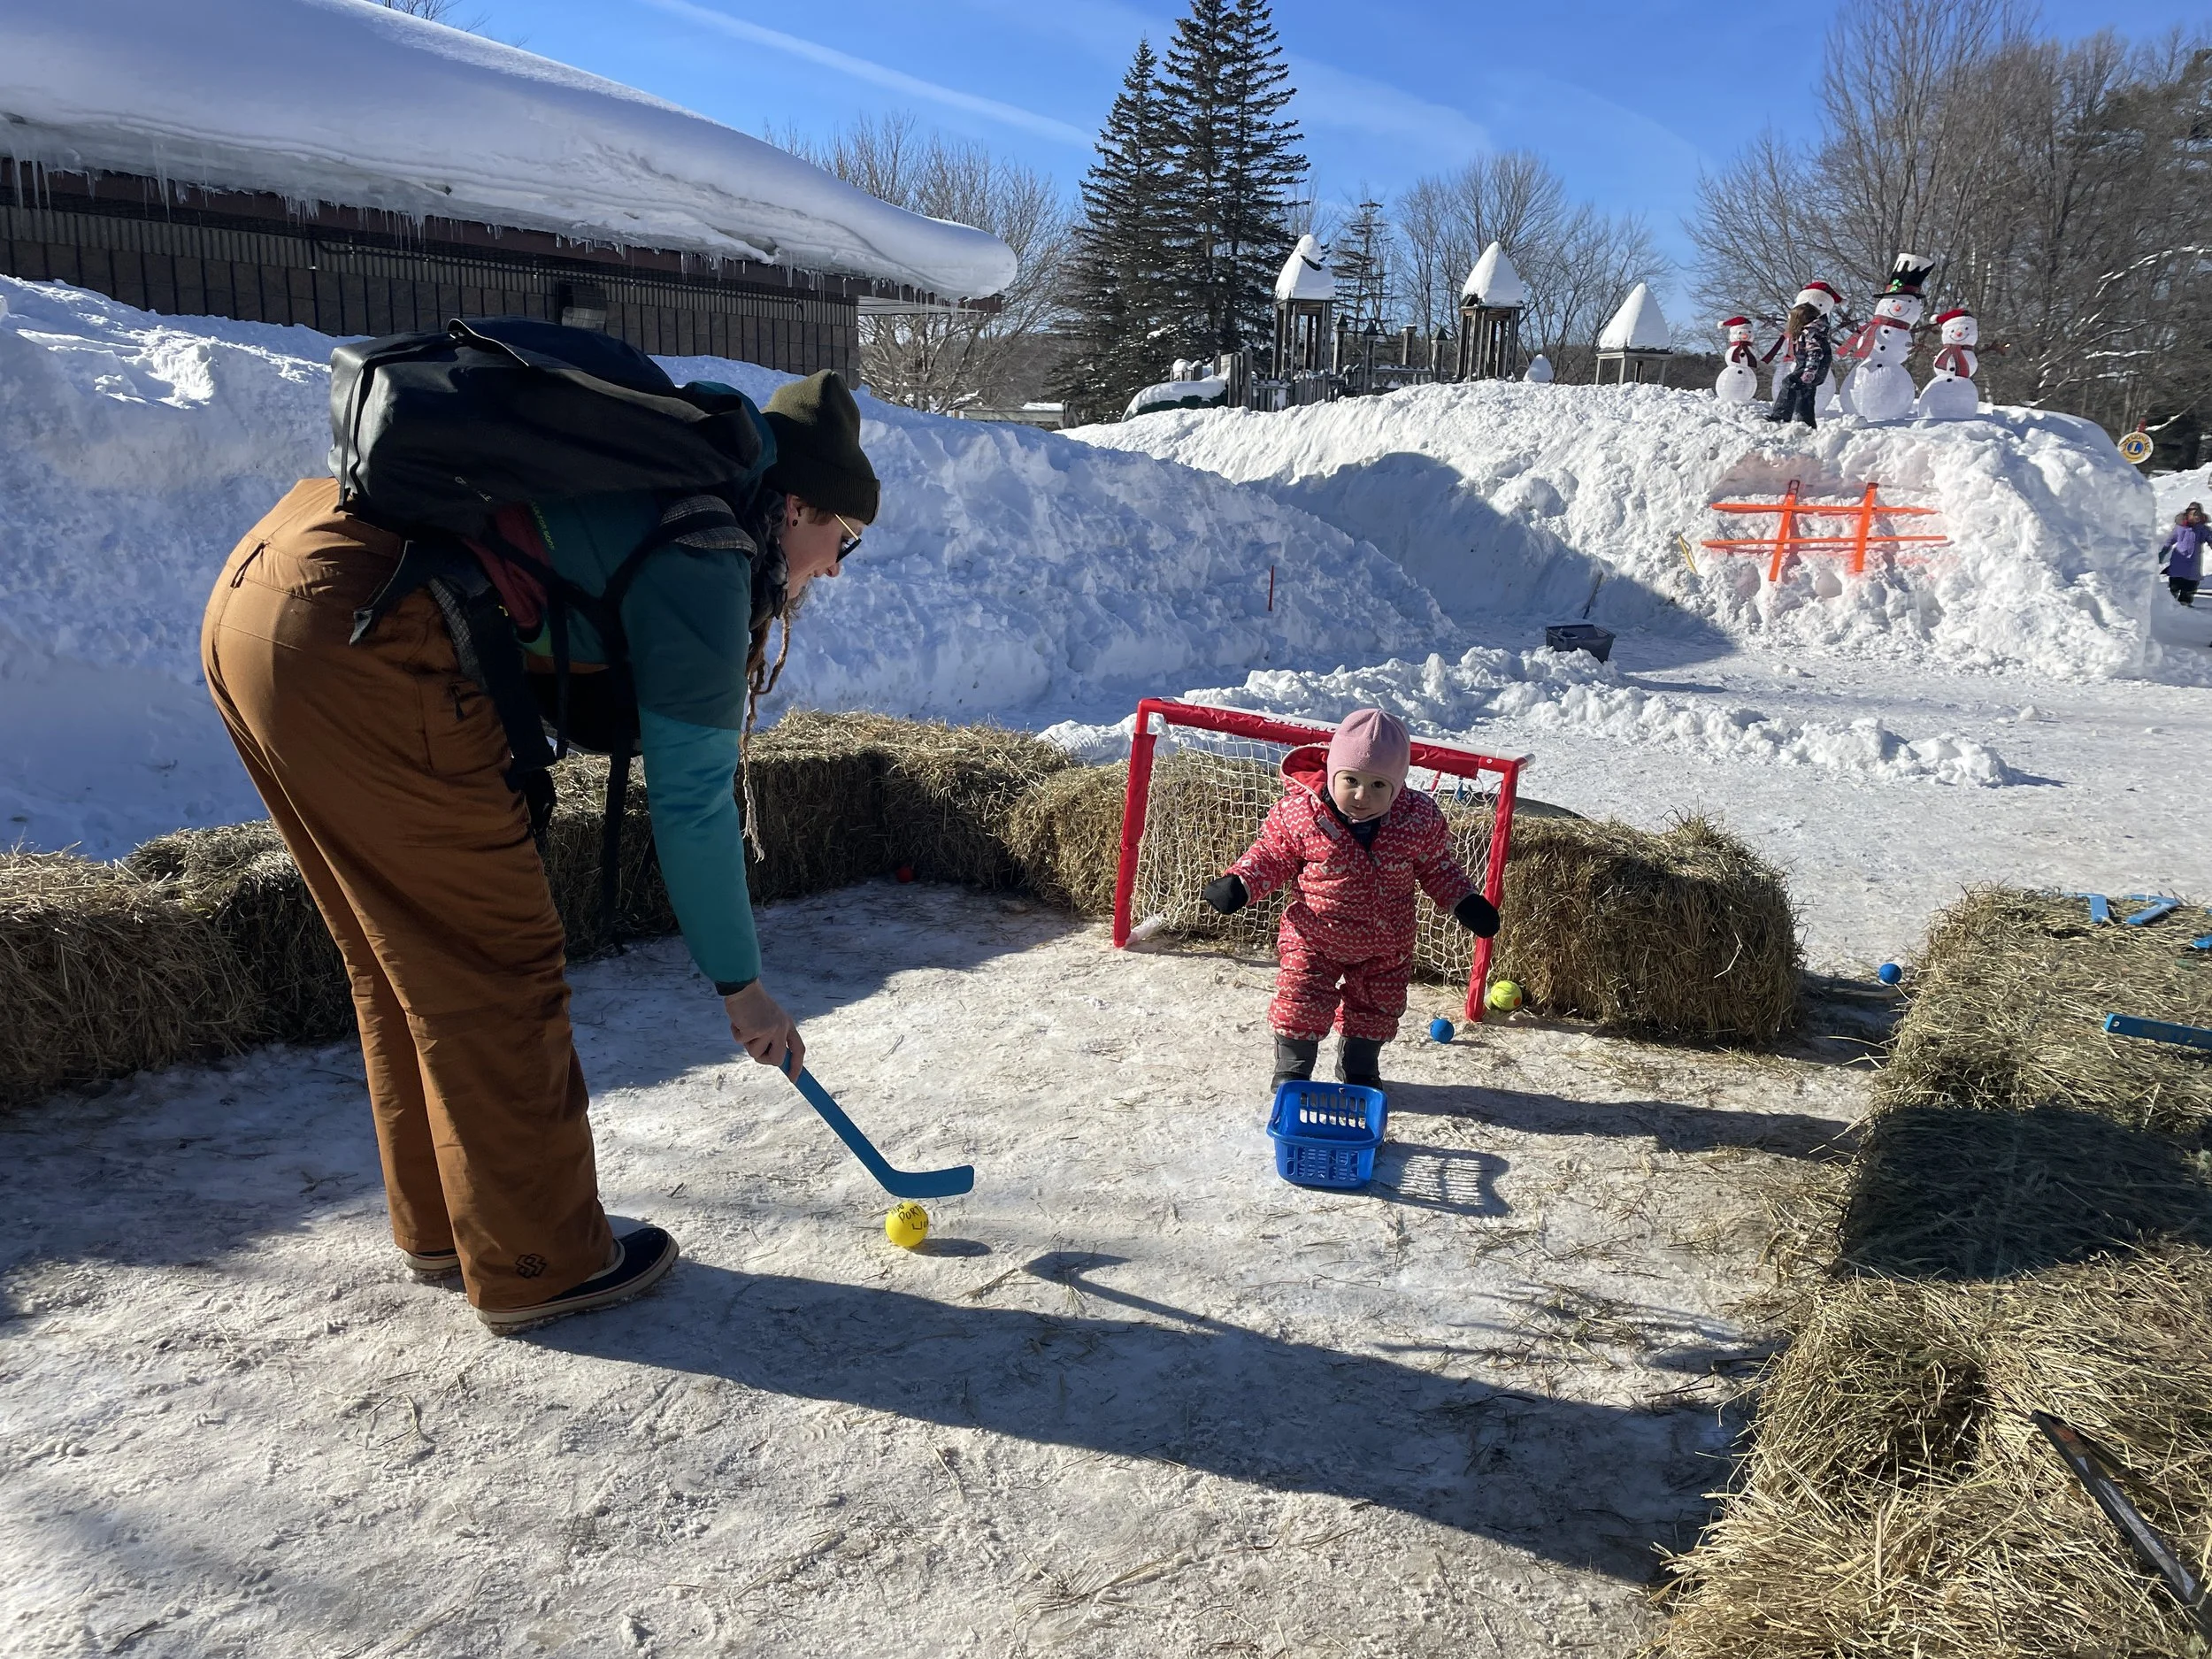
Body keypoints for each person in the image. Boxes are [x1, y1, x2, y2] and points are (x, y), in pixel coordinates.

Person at [201, 368, 878, 1333]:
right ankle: (540, 1260)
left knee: (398, 948)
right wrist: (742, 984)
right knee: (496, 959)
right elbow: (689, 803)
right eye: (841, 541)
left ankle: (449, 1221)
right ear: (799, 503)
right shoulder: (706, 551)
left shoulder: (663, 486)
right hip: (366, 623)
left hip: (271, 583)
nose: (834, 569)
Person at [1199, 710, 1501, 1089]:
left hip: (1385, 943)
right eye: (1351, 780)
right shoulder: (1302, 814)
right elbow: (1272, 854)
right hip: (1314, 937)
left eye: (1379, 785)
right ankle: (1292, 1069)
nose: (1362, 795)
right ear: (1332, 772)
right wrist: (1241, 882)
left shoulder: (1417, 819)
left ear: (1399, 785)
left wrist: (1465, 901)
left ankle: (1359, 1068)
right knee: (1301, 1000)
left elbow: (1437, 867)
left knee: (1377, 1007)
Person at [1763, 301, 1832, 428]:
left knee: (1789, 382)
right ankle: (1807, 424)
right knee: (1805, 395)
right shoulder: (1812, 332)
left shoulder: (1810, 334)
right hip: (1814, 369)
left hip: (1811, 369)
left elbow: (1815, 353)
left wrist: (1810, 371)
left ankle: (1781, 416)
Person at [2160, 501, 2205, 606]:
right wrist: (2163, 552)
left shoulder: (2202, 529)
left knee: (2190, 587)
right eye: (2193, 514)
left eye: (2198, 514)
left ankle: (2186, 604)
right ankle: (2170, 605)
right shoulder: (2179, 528)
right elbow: (2170, 541)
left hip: (2193, 566)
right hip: (2178, 564)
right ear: (2188, 514)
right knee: (2174, 587)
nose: (2196, 517)